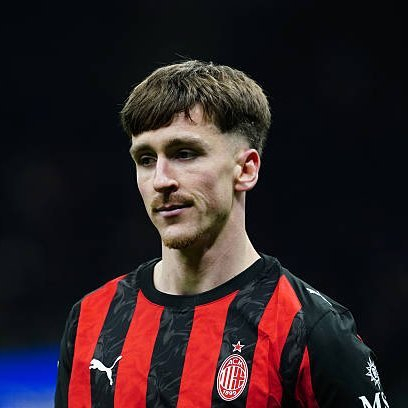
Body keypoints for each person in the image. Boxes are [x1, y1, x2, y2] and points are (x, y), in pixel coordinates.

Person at [55, 60, 389, 407]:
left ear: (245, 169)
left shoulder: (310, 328)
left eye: (184, 154)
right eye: (146, 159)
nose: (161, 180)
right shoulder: (90, 322)